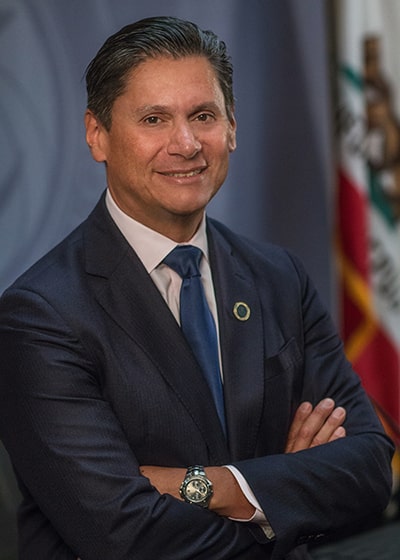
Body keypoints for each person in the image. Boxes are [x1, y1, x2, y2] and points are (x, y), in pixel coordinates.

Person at [0, 16, 394, 560]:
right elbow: (128, 537)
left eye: (203, 115)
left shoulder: (280, 278)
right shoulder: (40, 314)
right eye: (154, 119)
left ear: (232, 126)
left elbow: (372, 468)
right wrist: (287, 497)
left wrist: (213, 486)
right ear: (98, 135)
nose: (185, 144)